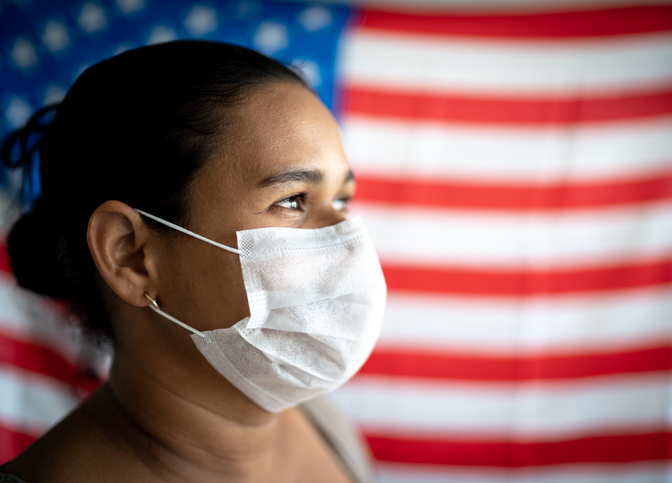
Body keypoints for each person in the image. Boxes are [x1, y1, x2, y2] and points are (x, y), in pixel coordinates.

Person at [0, 40, 386, 483]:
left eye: (341, 198)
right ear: (131, 254)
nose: (347, 240)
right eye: (293, 200)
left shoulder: (322, 423)